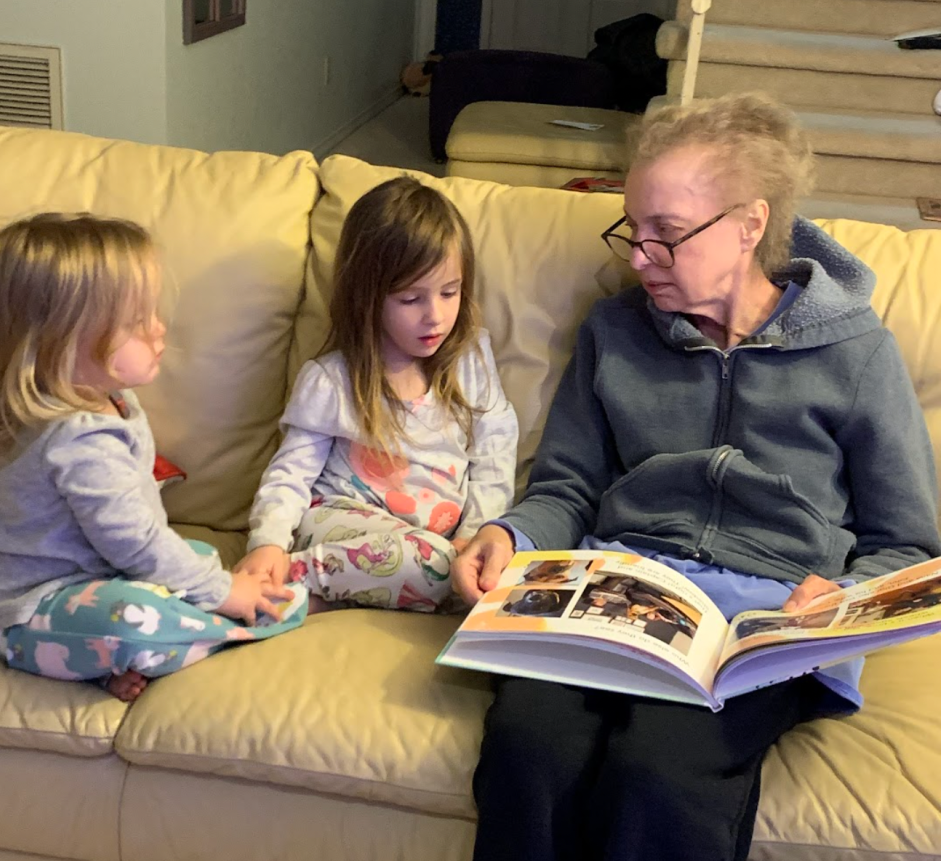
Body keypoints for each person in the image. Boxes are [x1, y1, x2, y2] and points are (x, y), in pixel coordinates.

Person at [452, 92, 941, 861]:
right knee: (528, 743)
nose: (639, 257)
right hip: (618, 595)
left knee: (662, 771)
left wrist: (840, 595)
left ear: (750, 225)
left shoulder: (857, 354)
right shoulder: (615, 332)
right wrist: (505, 533)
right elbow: (567, 487)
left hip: (765, 620)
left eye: (667, 236)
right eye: (633, 231)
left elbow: (908, 540)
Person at [0, 213, 303, 703]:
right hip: (28, 608)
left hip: (88, 579)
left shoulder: (111, 401)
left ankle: (92, 664)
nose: (159, 329)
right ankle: (219, 630)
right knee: (138, 618)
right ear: (62, 344)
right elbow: (137, 546)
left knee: (197, 558)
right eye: (136, 323)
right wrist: (224, 595)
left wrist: (207, 580)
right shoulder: (79, 440)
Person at [237, 177, 518, 612]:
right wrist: (267, 543)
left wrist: (477, 530)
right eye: (411, 299)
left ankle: (303, 600)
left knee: (462, 569)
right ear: (368, 297)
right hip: (339, 522)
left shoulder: (471, 360)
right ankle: (282, 582)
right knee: (437, 568)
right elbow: (290, 474)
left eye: (450, 292)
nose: (436, 316)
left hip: (430, 545)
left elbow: (495, 452)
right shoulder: (332, 380)